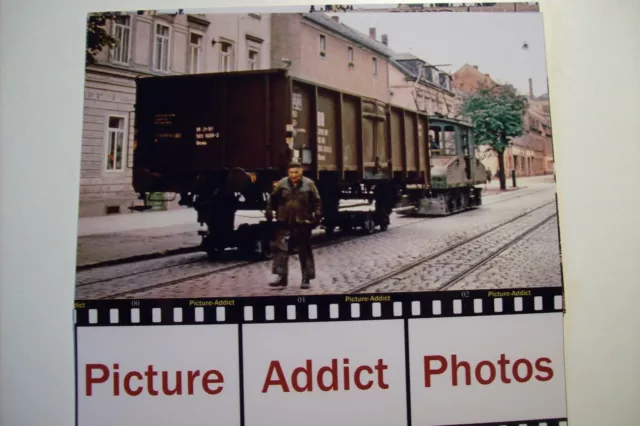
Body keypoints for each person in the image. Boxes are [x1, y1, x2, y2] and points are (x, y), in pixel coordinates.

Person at [264, 163, 322, 289]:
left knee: (304, 249)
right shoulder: (282, 184)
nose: (293, 175)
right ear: (288, 173)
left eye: (296, 172)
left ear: (301, 172)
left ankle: (306, 278)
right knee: (281, 249)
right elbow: (272, 198)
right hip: (284, 220)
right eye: (291, 173)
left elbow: (317, 201)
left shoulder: (309, 184)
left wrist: (317, 216)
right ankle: (281, 276)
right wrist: (269, 211)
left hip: (302, 221)